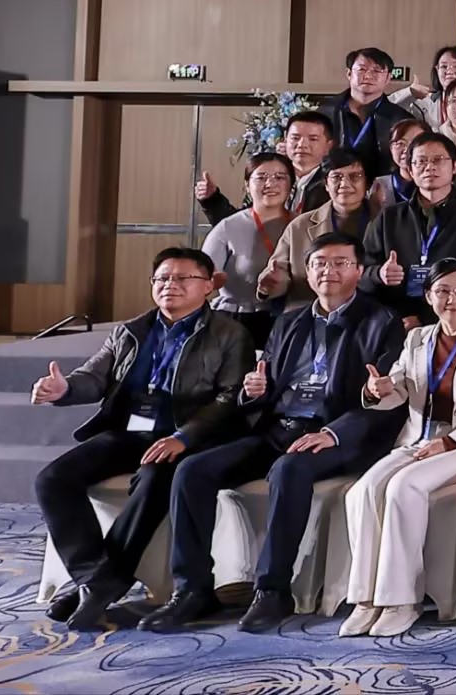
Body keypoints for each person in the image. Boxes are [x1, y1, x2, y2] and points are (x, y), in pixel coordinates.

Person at [142, 233, 407, 634]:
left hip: (334, 433)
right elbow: (264, 387)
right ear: (307, 271)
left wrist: (333, 433)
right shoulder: (289, 321)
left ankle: (272, 589)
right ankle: (192, 589)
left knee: (289, 468)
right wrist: (253, 393)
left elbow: (389, 397)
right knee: (193, 470)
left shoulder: (382, 322)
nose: (329, 271)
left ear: (358, 271)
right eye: (319, 263)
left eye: (340, 263)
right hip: (279, 428)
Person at [31, 248, 254, 632]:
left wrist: (184, 436)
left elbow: (230, 397)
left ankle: (102, 582)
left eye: (183, 278)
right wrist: (64, 388)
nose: (170, 285)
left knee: (153, 478)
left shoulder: (230, 334)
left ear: (208, 286)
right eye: (163, 278)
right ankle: (93, 578)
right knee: (52, 479)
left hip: (190, 436)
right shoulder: (131, 331)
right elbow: (94, 376)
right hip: (131, 432)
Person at [337, 260, 456, 638]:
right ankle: (366, 598)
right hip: (419, 439)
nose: (453, 299)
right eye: (443, 291)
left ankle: (401, 600)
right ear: (428, 295)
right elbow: (398, 388)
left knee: (404, 488)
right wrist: (377, 391)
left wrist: (450, 441)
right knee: (362, 491)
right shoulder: (417, 338)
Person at [361, 134, 456, 324]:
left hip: (452, 324)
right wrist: (378, 274)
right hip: (394, 323)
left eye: (438, 160)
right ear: (410, 170)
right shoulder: (389, 218)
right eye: (421, 161)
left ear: (455, 167)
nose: (429, 167)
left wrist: (425, 320)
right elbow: (360, 272)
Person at [261, 150, 376, 312]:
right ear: (326, 184)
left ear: (367, 183)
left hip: (371, 313)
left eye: (355, 177)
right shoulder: (300, 225)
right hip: (309, 312)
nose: (344, 184)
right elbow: (278, 271)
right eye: (336, 177)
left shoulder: (387, 220)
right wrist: (273, 283)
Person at [204, 153, 295, 345]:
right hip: (237, 320)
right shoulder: (228, 227)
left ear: (291, 185)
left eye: (280, 177)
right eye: (261, 177)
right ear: (247, 185)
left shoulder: (303, 224)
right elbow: (202, 273)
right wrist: (212, 279)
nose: (270, 184)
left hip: (292, 319)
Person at [197, 110, 335, 224]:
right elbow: (240, 224)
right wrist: (212, 199)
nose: (302, 145)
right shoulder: (269, 178)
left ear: (328, 146)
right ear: (285, 139)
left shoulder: (333, 184)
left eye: (313, 139)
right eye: (295, 138)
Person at [322, 47, 418, 179]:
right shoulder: (325, 112)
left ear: (388, 78)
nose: (368, 76)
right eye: (361, 69)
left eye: (377, 71)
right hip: (333, 184)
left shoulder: (402, 119)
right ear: (349, 74)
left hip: (384, 187)